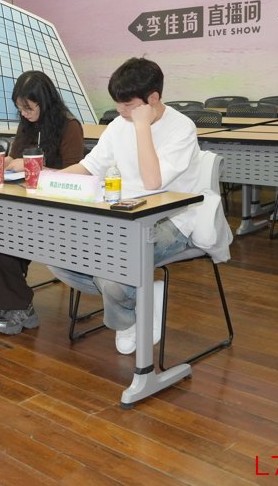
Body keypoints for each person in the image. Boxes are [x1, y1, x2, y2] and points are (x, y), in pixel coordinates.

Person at [47, 57, 201, 354]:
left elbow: (153, 181)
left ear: (152, 99)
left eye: (128, 105)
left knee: (115, 262)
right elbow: (89, 167)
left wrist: (142, 127)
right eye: (118, 103)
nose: (120, 111)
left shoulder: (181, 128)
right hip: (120, 214)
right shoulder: (119, 125)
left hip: (171, 218)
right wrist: (47, 181)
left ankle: (126, 315)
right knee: (58, 250)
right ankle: (137, 296)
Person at [0, 71, 85, 335]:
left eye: (28, 108)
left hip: (56, 209)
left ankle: (20, 306)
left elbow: (76, 176)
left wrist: (35, 168)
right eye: (20, 108)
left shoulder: (70, 127)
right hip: (22, 202)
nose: (24, 114)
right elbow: (16, 157)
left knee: (2, 234)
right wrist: (7, 161)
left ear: (45, 101)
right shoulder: (27, 124)